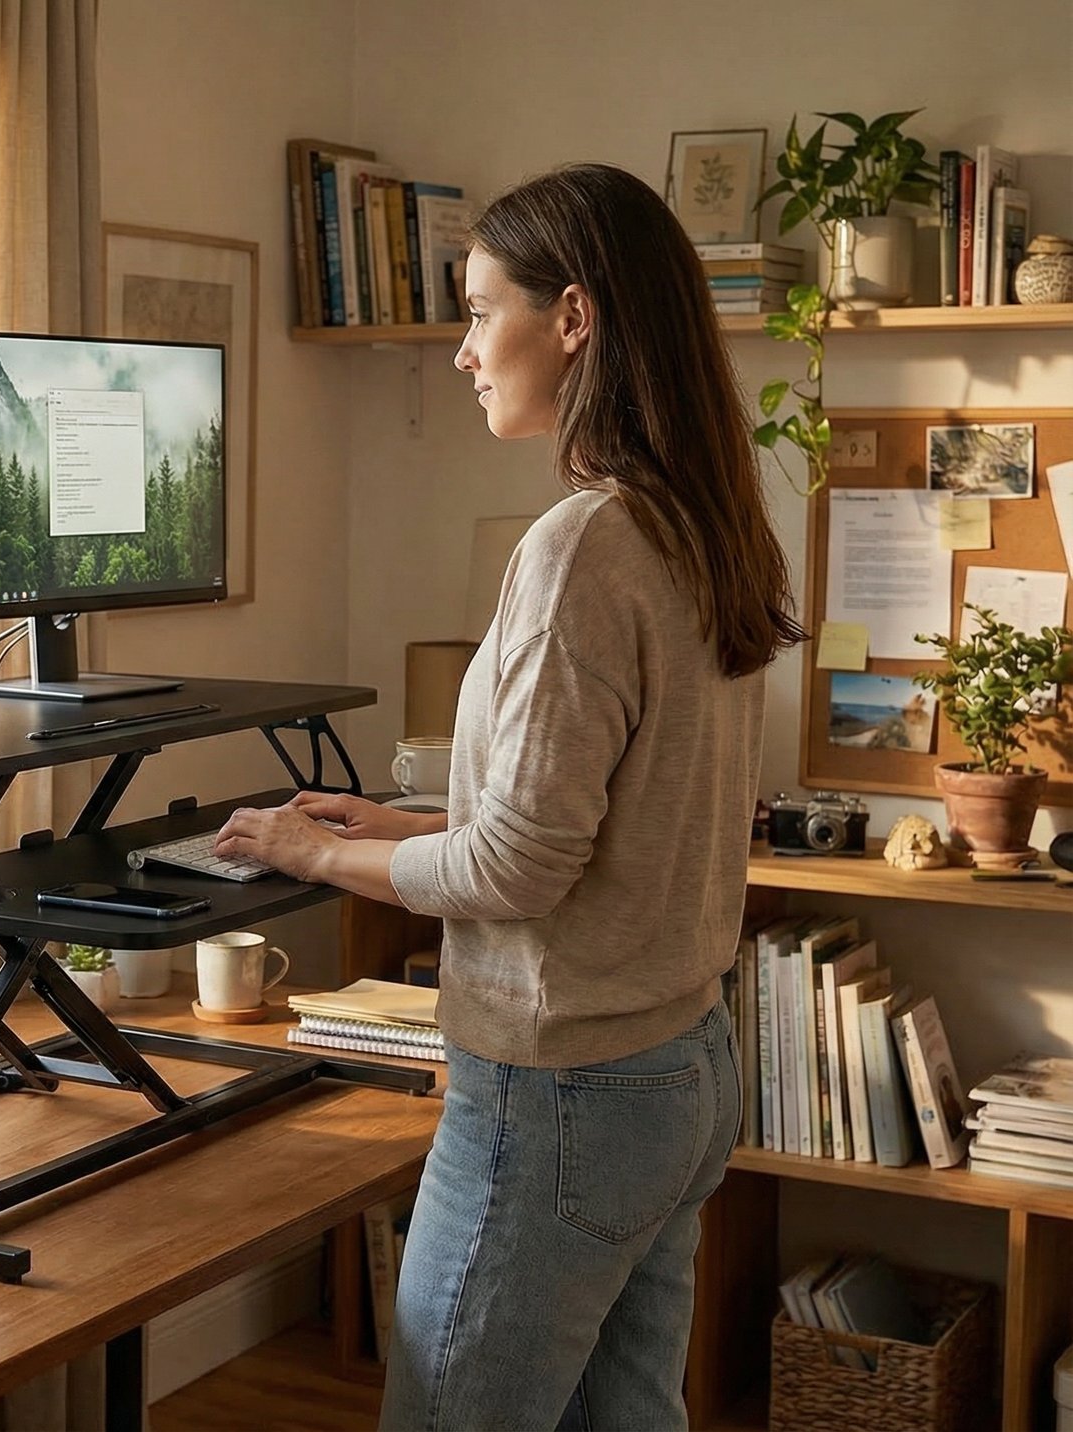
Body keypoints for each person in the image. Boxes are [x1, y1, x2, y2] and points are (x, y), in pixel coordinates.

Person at [215, 162, 803, 1430]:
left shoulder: (584, 543)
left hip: (564, 1090)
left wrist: (307, 856)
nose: (464, 352)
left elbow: (519, 876)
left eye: (483, 313)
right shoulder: (702, 523)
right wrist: (410, 827)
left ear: (575, 318)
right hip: (679, 1066)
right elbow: (601, 826)